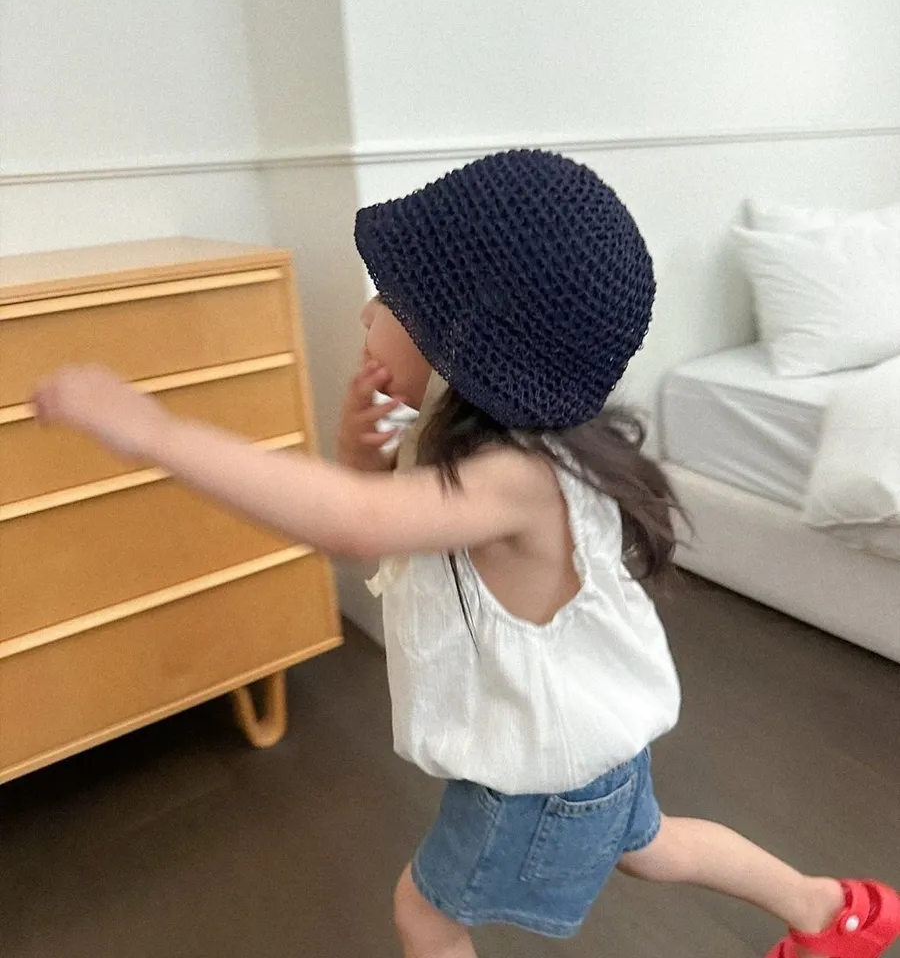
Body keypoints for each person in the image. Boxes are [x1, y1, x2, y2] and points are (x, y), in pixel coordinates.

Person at [34, 150, 899, 958]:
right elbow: (377, 518)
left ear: (473, 337)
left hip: (540, 779)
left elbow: (355, 525)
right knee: (652, 845)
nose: (366, 313)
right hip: (593, 751)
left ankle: (823, 908)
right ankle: (827, 908)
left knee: (424, 913)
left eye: (390, 298)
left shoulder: (516, 478)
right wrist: (362, 449)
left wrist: (154, 432)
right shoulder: (503, 448)